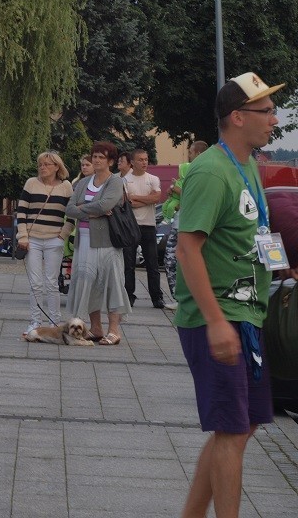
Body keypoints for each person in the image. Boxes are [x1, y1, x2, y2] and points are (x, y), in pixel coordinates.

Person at [174, 72, 297, 518]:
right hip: (220, 316)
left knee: (242, 427)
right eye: (266, 111)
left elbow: (255, 230)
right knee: (230, 430)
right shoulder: (210, 171)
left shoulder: (245, 164)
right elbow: (188, 248)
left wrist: (282, 266)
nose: (274, 119)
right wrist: (215, 322)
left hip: (247, 313)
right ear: (238, 117)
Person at [65, 141, 131, 345]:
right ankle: (95, 328)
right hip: (84, 240)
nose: (96, 160)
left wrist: (83, 208)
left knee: (112, 283)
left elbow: (107, 204)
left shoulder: (115, 182)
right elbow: (69, 208)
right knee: (88, 283)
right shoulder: (84, 182)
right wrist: (94, 212)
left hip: (107, 242)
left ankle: (114, 330)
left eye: (101, 157)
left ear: (110, 161)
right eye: (94, 156)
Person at [17, 151, 73, 339]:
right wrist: (22, 236)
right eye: (40, 164)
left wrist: (62, 235)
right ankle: (35, 321)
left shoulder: (66, 187)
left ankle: (55, 321)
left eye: (47, 164)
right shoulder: (31, 183)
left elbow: (71, 215)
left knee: (51, 283)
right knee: (35, 283)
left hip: (53, 239)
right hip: (32, 239)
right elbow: (22, 211)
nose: (43, 167)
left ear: (57, 167)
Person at [163, 140, 209, 309]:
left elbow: (195, 197)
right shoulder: (191, 173)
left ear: (198, 154)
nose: (188, 155)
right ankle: (180, 298)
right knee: (172, 261)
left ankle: (184, 299)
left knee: (174, 261)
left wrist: (177, 191)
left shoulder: (202, 173)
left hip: (187, 225)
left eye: (190, 151)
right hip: (178, 224)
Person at [122, 149, 164, 308]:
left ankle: (156, 297)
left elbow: (156, 198)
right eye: (140, 160)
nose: (144, 162)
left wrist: (137, 198)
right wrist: (147, 200)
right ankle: (128, 296)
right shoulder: (125, 180)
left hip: (149, 225)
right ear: (132, 162)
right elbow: (126, 202)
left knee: (152, 264)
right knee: (129, 264)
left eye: (146, 159)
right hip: (131, 226)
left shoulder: (153, 179)